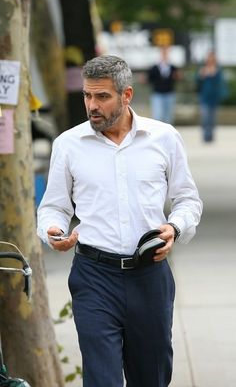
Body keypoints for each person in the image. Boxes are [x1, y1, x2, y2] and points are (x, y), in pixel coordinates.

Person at [37, 55, 202, 387]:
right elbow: (53, 208)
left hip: (150, 277)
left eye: (102, 96)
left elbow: (188, 199)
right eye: (87, 96)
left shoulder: (164, 138)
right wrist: (52, 231)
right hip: (94, 277)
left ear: (127, 95)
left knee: (151, 377)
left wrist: (175, 227)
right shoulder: (68, 145)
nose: (92, 105)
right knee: (102, 379)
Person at [196, 51, 227, 142]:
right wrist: (201, 75)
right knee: (205, 117)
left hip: (214, 98)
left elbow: (221, 83)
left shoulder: (218, 70)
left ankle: (211, 136)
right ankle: (205, 135)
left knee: (212, 118)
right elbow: (197, 82)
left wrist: (215, 74)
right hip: (204, 97)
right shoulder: (202, 69)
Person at [147, 46, 179, 124]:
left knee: (168, 117)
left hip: (169, 93)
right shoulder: (154, 68)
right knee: (158, 116)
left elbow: (177, 79)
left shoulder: (173, 68)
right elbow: (149, 79)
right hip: (157, 94)